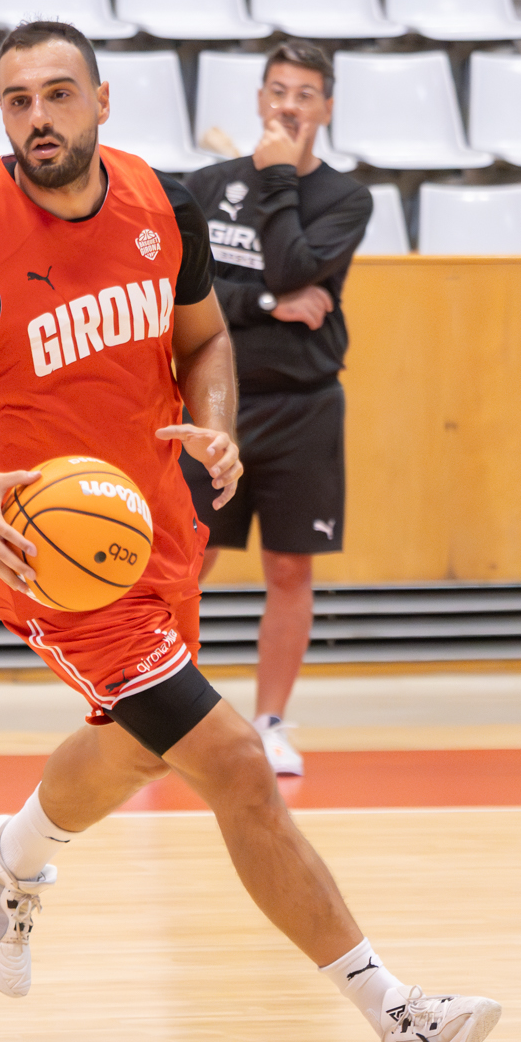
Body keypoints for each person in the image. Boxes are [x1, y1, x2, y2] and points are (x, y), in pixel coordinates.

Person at [0, 20, 496, 1042]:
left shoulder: (160, 205)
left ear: (101, 101)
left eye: (57, 95)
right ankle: (398, 1014)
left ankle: (2, 853)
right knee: (234, 766)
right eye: (17, 100)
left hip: (157, 527)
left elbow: (204, 340)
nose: (37, 117)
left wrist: (214, 425)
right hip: (52, 562)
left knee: (136, 745)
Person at [182, 40, 374, 777]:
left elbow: (296, 262)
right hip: (214, 404)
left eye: (304, 94)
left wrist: (274, 181)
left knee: (291, 567)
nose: (289, 104)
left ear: (326, 107)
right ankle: (152, 717)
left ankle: (269, 723)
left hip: (305, 407)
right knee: (186, 559)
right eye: (277, 90)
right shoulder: (204, 186)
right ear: (260, 99)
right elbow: (186, 292)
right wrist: (266, 301)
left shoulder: (346, 199)